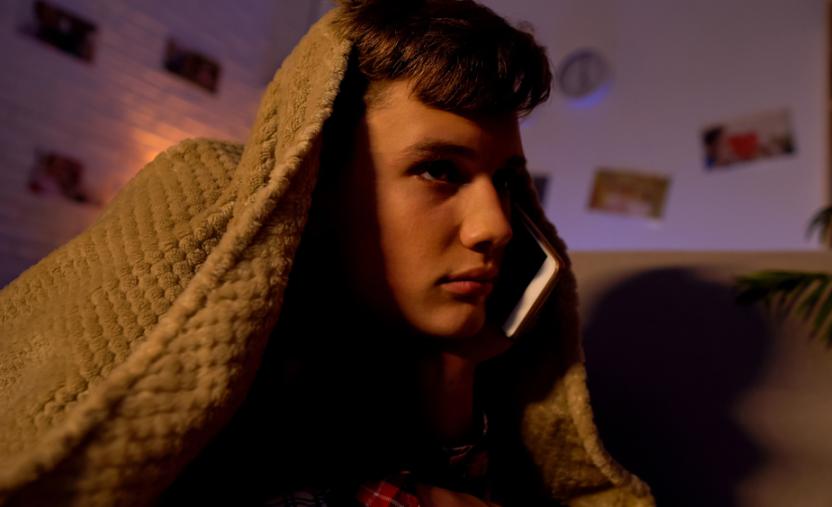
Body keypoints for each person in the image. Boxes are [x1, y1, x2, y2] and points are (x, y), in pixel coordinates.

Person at [0, 1, 653, 506]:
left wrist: (455, 373)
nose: (496, 227)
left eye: (505, 181)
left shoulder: (434, 351)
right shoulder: (243, 326)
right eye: (438, 170)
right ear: (318, 178)